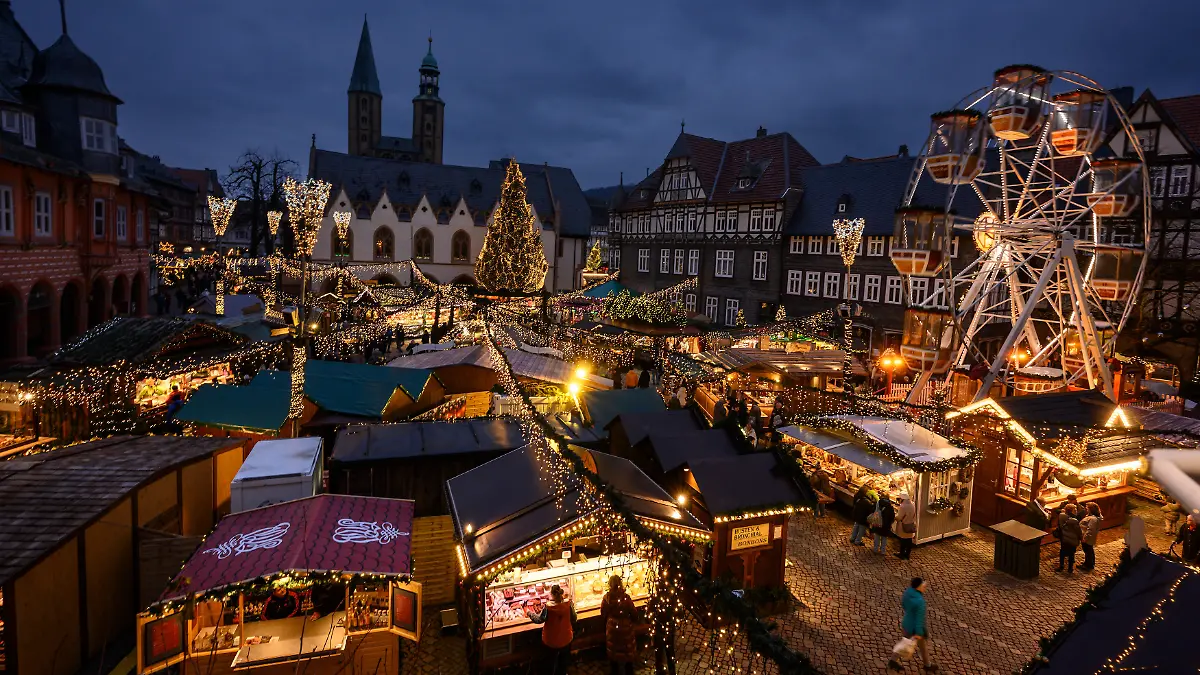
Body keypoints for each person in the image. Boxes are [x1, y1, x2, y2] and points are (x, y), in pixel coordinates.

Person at [888, 577, 937, 672]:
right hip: (915, 628)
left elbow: (904, 604)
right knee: (920, 646)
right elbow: (919, 619)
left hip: (906, 623)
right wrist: (919, 632)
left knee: (905, 643)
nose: (924, 588)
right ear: (918, 587)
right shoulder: (920, 602)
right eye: (923, 586)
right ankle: (927, 665)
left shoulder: (907, 592)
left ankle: (893, 661)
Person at [528, 585, 575, 674]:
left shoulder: (548, 608)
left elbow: (539, 620)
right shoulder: (568, 605)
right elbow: (574, 618)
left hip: (551, 640)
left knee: (550, 663)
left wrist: (529, 613)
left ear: (552, 595)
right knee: (563, 663)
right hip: (566, 638)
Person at [600, 576, 638, 675]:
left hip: (613, 631)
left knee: (614, 659)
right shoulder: (626, 598)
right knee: (628, 660)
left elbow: (603, 614)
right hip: (626, 630)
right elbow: (634, 613)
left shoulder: (606, 598)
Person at [1055, 504, 1083, 574]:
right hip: (1072, 539)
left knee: (1062, 551)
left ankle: (1061, 566)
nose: (1076, 511)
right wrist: (1081, 537)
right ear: (1071, 511)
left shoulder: (1061, 516)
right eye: (1075, 509)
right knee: (1071, 554)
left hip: (1064, 538)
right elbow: (1078, 531)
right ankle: (1070, 568)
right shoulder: (1074, 521)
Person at [1078, 502, 1101, 572]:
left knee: (1088, 551)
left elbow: (1090, 529)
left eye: (1087, 508)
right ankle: (1087, 563)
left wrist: (1085, 538)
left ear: (1091, 509)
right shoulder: (1091, 517)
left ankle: (1089, 565)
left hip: (1087, 538)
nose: (1086, 509)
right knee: (1088, 551)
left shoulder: (1093, 519)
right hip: (1086, 536)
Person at [894, 493, 917, 560]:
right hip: (910, 524)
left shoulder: (903, 506)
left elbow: (899, 517)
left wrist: (895, 517)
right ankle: (907, 554)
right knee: (909, 540)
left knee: (903, 540)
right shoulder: (912, 504)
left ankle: (901, 554)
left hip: (903, 524)